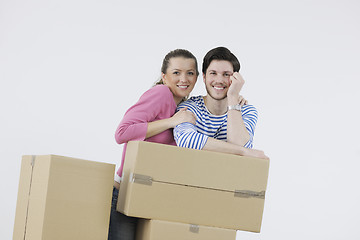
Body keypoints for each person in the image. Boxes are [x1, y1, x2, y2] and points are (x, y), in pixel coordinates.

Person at [109, 49, 199, 240]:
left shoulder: (184, 108)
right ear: (164, 77)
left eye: (190, 73)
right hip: (125, 192)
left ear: (197, 77)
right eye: (176, 72)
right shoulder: (161, 94)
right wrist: (170, 122)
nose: (184, 78)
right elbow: (122, 133)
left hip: (152, 197)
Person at [174, 47, 268, 159]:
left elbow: (240, 152)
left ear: (236, 78)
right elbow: (186, 140)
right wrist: (244, 152)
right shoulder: (188, 107)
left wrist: (233, 97)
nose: (219, 80)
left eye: (226, 74)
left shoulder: (246, 111)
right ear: (204, 77)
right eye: (213, 73)